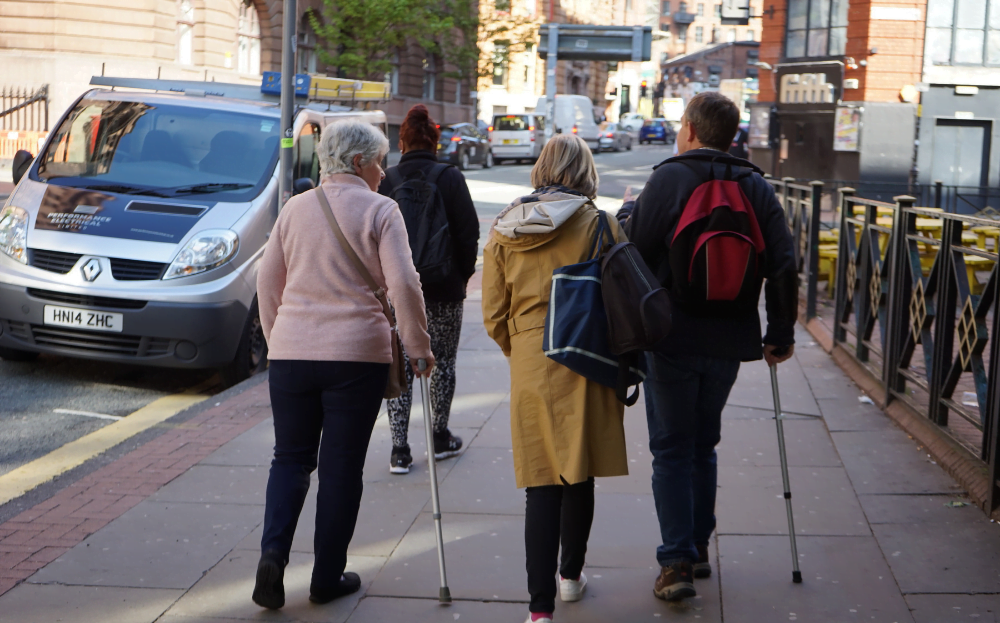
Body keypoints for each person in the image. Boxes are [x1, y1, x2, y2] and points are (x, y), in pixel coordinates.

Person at [617, 92, 797, 602]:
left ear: (691, 129)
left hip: (670, 335)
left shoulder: (669, 177)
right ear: (732, 134)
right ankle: (697, 547)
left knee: (670, 448)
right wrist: (779, 332)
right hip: (730, 338)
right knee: (702, 444)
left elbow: (636, 253)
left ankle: (674, 562)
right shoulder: (755, 185)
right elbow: (782, 262)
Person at [253, 120, 434, 609]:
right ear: (359, 163)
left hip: (292, 353)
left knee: (289, 458)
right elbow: (403, 285)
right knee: (340, 468)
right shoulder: (381, 210)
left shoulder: (294, 208)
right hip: (356, 356)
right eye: (379, 162)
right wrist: (418, 347)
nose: (383, 172)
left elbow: (267, 284)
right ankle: (325, 578)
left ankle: (272, 556)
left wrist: (280, 340)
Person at [482, 134, 630, 623]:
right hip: (585, 355)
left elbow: (492, 313)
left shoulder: (504, 228)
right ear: (585, 171)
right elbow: (624, 300)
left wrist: (521, 348)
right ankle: (570, 577)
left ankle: (538, 609)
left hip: (529, 357)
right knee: (578, 467)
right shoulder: (602, 224)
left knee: (540, 480)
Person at [378, 105, 479, 474]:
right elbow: (469, 235)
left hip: (399, 288)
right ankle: (439, 437)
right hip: (444, 287)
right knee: (445, 362)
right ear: (435, 140)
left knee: (401, 363)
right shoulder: (450, 178)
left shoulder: (387, 180)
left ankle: (399, 449)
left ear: (401, 141)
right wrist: (461, 277)